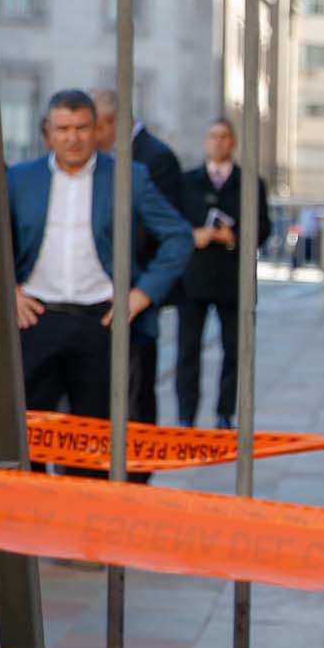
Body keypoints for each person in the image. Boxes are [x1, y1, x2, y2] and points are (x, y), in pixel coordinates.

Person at [8, 89, 192, 479]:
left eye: (81, 127)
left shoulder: (129, 177)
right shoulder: (21, 179)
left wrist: (143, 294)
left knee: (92, 444)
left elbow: (178, 235)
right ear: (47, 133)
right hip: (36, 321)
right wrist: (9, 290)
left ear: (97, 131)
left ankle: (80, 530)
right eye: (63, 129)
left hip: (102, 324)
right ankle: (31, 527)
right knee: (28, 437)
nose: (72, 137)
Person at [174, 118, 271, 430]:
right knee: (187, 351)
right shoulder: (187, 181)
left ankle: (224, 413)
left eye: (224, 137)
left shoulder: (250, 183)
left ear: (233, 142)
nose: (218, 142)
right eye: (213, 136)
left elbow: (264, 227)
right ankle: (186, 414)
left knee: (234, 349)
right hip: (194, 278)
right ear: (207, 141)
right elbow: (172, 223)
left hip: (233, 279)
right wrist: (195, 234)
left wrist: (237, 236)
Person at [92, 89, 181, 425]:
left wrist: (144, 290)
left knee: (137, 390)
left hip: (137, 293)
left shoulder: (154, 159)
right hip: (101, 298)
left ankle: (136, 472)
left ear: (110, 122)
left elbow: (165, 231)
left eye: (92, 127)